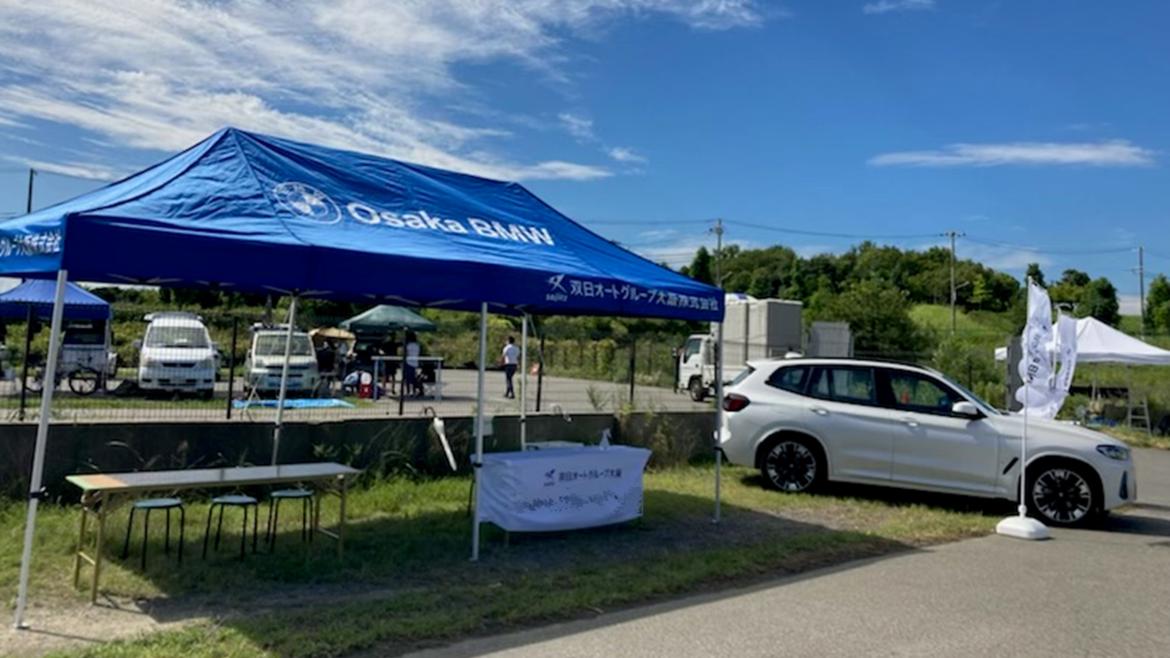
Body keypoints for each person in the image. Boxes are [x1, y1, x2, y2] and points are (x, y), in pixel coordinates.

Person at [403, 330, 421, 397]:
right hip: (415, 362)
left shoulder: (408, 345)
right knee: (413, 378)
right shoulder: (417, 345)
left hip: (408, 362)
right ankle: (413, 391)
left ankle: (408, 391)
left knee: (407, 378)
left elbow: (406, 353)